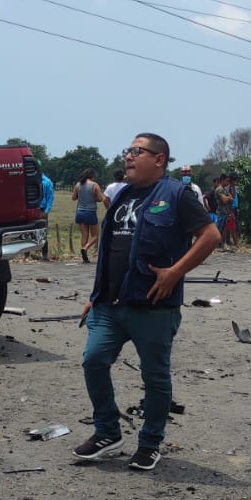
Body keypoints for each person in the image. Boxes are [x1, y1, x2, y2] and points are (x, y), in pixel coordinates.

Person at [73, 132, 220, 471]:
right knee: (93, 361)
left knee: (155, 377)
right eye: (127, 150)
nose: (128, 156)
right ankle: (108, 432)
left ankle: (150, 442)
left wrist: (175, 272)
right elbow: (110, 251)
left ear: (159, 159)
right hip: (110, 306)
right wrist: (94, 297)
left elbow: (211, 236)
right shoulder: (123, 195)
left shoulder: (177, 194)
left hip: (153, 307)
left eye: (136, 151)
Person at [72, 170, 103, 263]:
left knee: (84, 234)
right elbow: (100, 198)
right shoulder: (95, 185)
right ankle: (85, 248)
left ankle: (84, 257)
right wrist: (94, 198)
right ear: (92, 176)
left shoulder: (78, 185)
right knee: (95, 236)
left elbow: (73, 198)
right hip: (90, 212)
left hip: (80, 212)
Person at [36, 170, 55, 260]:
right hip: (32, 209)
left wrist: (46, 211)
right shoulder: (30, 180)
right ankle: (26, 254)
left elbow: (50, 197)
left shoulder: (47, 182)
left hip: (42, 209)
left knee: (43, 232)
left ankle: (45, 255)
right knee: (28, 231)